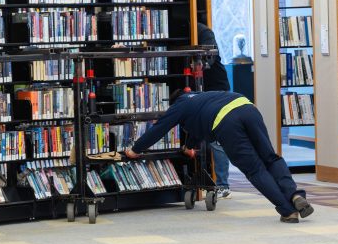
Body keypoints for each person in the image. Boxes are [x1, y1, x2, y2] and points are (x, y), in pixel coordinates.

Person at [124, 89, 313, 223]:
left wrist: (136, 149)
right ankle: (295, 195)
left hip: (226, 122)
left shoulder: (179, 105)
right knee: (271, 157)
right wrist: (189, 146)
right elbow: (198, 128)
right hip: (247, 106)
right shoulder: (202, 97)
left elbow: (160, 128)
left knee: (255, 169)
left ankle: (288, 211)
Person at [197, 22, 232, 197]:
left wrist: (200, 63)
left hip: (216, 89)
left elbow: (210, 55)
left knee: (216, 137)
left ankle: (223, 184)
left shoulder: (203, 31)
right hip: (200, 90)